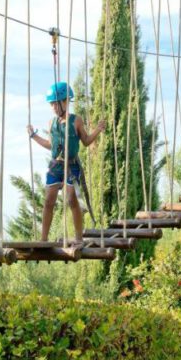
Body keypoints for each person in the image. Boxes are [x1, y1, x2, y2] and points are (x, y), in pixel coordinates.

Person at [27, 82, 105, 246]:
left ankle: (78, 238)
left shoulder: (76, 120)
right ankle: (43, 239)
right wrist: (34, 136)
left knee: (71, 200)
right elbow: (51, 144)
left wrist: (97, 130)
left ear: (66, 101)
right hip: (56, 165)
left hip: (72, 165)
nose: (55, 107)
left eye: (58, 103)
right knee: (48, 201)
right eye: (52, 104)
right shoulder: (51, 123)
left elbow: (85, 141)